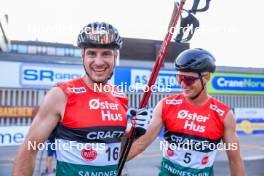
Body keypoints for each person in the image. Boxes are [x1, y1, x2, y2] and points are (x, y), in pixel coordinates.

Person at [13, 22, 150, 176]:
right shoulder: (60, 95)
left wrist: (133, 133)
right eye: (92, 53)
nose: (98, 62)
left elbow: (116, 152)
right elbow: (28, 150)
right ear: (82, 56)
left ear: (115, 57)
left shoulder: (120, 97)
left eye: (106, 54)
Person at [127, 48, 245, 176]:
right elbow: (140, 144)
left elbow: (235, 161)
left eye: (188, 79)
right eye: (179, 78)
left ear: (206, 78)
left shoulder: (224, 114)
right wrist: (109, 168)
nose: (183, 84)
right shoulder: (166, 105)